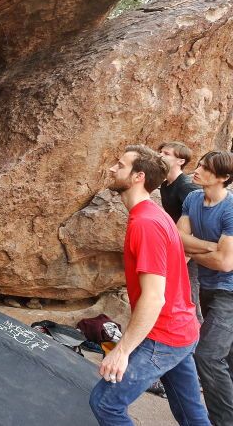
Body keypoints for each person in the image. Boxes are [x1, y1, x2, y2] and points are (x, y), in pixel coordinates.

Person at [89, 145, 208, 426]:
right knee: (191, 415)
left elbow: (154, 298)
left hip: (165, 334)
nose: (112, 169)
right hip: (181, 329)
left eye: (120, 165)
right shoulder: (153, 215)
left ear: (138, 177)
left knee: (106, 404)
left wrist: (123, 350)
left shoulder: (146, 223)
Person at [177, 150, 233, 425]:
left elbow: (224, 262)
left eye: (206, 168)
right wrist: (209, 247)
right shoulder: (192, 198)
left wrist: (196, 250)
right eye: (199, 164)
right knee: (228, 359)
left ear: (223, 178)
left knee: (208, 356)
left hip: (230, 292)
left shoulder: (231, 208)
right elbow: (178, 239)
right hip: (209, 287)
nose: (197, 169)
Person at [158, 141, 202, 320]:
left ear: (180, 161)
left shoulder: (186, 186)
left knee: (192, 297)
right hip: (178, 247)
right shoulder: (165, 185)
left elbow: (198, 221)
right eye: (160, 152)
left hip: (191, 251)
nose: (160, 155)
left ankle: (198, 343)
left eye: (166, 153)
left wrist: (184, 257)